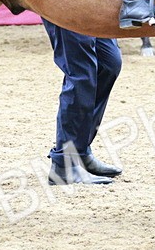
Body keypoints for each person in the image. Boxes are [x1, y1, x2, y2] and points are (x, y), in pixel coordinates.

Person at [42, 19, 124, 185]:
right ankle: (64, 163)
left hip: (91, 4)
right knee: (80, 73)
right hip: (65, 2)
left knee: (110, 64)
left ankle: (79, 150)